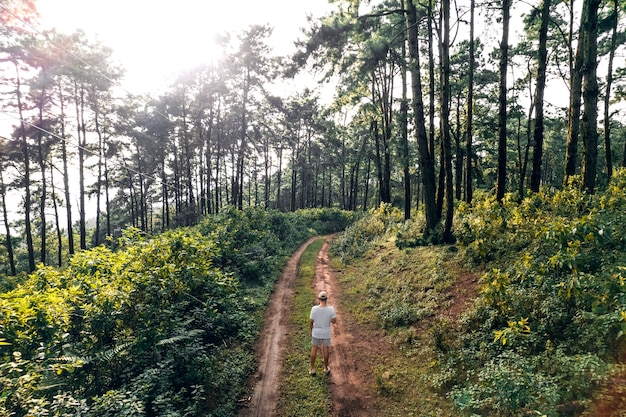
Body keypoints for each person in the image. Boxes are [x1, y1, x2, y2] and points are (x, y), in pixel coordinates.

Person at [309, 290, 336, 376]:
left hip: (316, 332)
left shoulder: (314, 309)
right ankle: (325, 368)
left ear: (318, 299)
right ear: (326, 299)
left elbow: (311, 322)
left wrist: (311, 331)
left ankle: (312, 368)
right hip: (326, 333)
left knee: (314, 349)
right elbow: (334, 321)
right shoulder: (331, 309)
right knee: (326, 349)